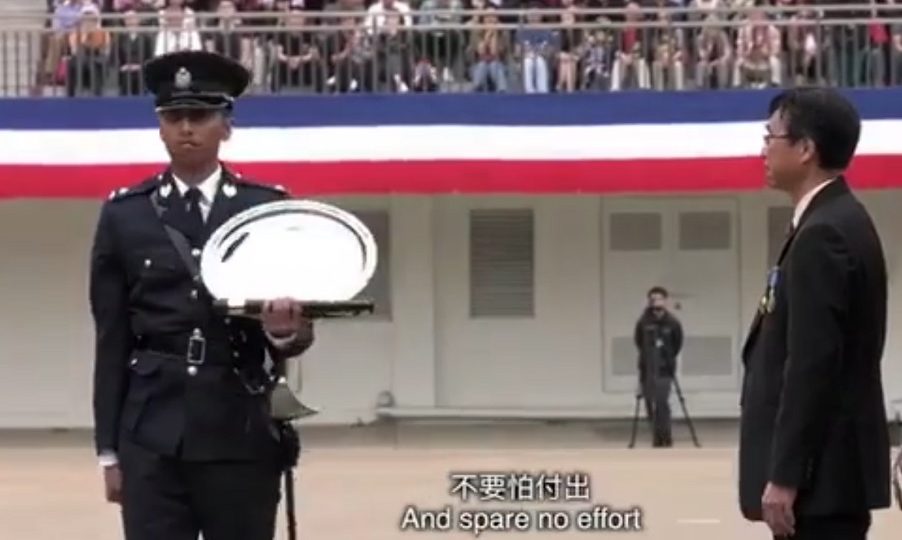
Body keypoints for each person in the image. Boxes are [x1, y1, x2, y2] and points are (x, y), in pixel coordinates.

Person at [89, 49, 315, 540]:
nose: (186, 127)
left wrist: (284, 335)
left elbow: (297, 331)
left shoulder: (267, 208)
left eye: (200, 116)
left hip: (240, 428)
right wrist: (109, 450)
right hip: (150, 433)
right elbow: (111, 340)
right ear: (161, 127)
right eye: (174, 117)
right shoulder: (125, 216)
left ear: (226, 126)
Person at [738, 87, 891, 539]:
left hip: (820, 481)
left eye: (772, 137)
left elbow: (812, 364)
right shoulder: (833, 220)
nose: (763, 148)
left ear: (806, 149)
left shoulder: (824, 234)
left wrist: (786, 476)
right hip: (828, 477)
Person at [634, 286, 683, 448]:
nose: (657, 303)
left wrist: (668, 357)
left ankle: (665, 436)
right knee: (650, 402)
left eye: (660, 299)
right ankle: (656, 436)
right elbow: (639, 342)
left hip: (665, 368)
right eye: (653, 299)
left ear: (665, 301)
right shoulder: (644, 322)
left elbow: (678, 343)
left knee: (662, 402)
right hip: (648, 368)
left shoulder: (672, 323)